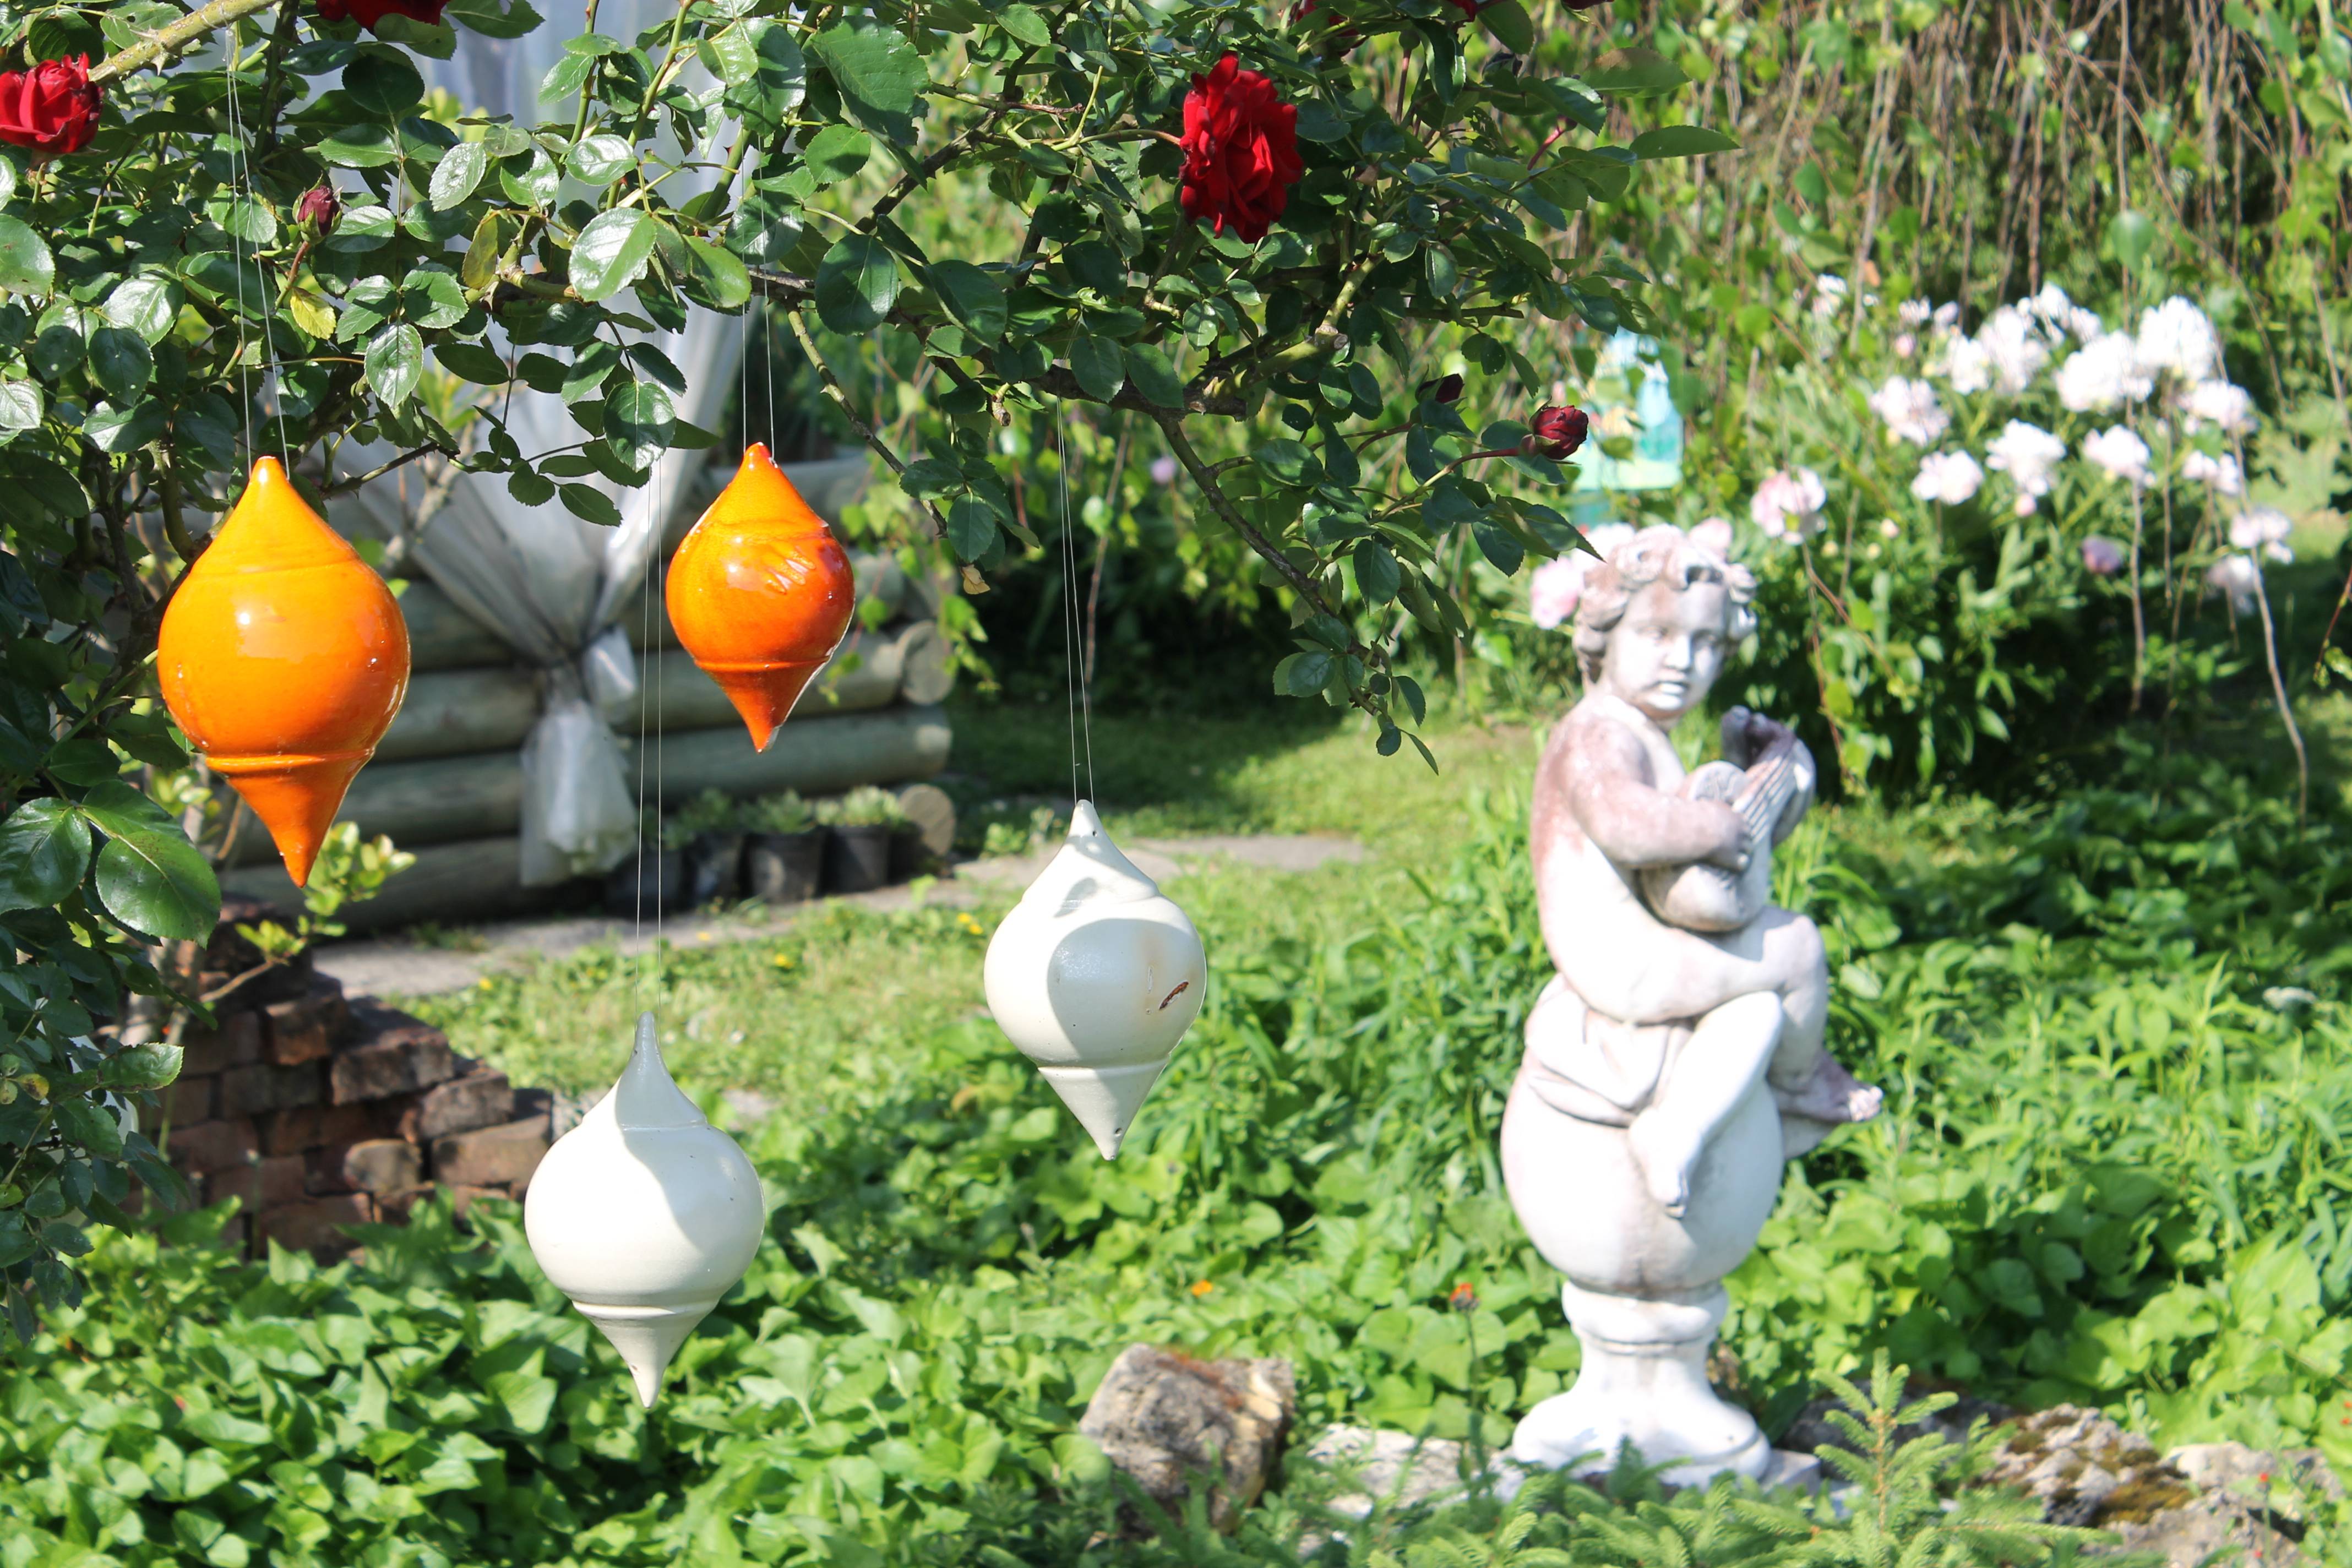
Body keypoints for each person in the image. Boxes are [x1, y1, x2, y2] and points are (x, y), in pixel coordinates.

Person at [1529, 524, 1881, 1216]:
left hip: (1641, 941)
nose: (1684, 660)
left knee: (1753, 1008)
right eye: (1658, 634)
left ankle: (1676, 1129)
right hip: (1618, 956)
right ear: (1604, 630)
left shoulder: (1638, 729)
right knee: (1797, 945)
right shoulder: (1598, 731)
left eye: (1706, 643)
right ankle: (1802, 1083)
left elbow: (1688, 847)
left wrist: (1761, 780)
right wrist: (1717, 826)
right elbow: (1624, 824)